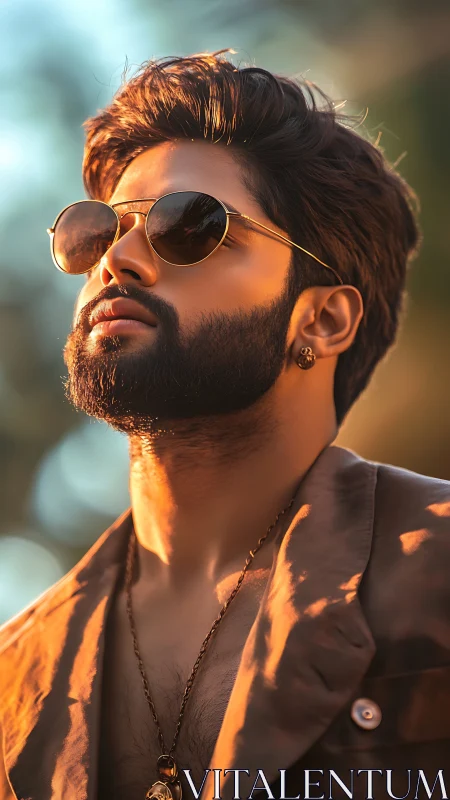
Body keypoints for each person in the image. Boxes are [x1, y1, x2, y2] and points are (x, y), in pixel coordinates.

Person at [1, 50, 450, 800]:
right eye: (97, 230)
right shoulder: (14, 682)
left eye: (190, 225)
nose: (119, 261)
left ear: (324, 318)